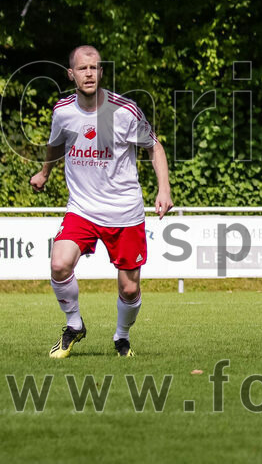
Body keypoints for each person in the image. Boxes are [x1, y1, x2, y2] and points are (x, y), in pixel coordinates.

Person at [30, 45, 173, 358]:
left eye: (94, 68)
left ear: (102, 72)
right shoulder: (63, 111)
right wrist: (44, 173)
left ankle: (121, 337)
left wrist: (164, 189)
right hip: (82, 209)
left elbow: (155, 147)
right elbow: (55, 145)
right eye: (82, 69)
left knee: (130, 288)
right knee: (59, 263)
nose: (89, 73)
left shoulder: (124, 111)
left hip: (124, 212)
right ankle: (74, 325)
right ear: (71, 74)